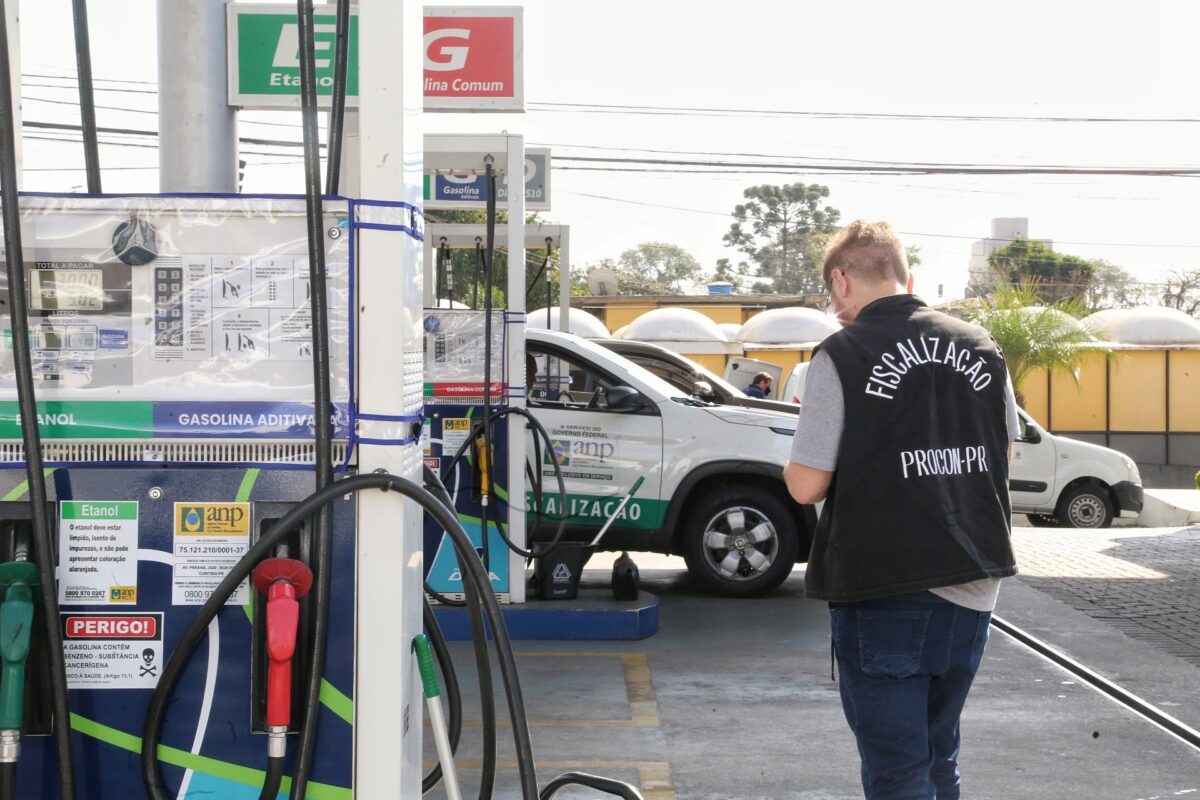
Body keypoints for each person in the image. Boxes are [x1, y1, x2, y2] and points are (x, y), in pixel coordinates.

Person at [783, 220, 1019, 800]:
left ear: (841, 280)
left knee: (897, 774)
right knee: (939, 761)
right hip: (974, 584)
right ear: (904, 276)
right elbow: (1004, 452)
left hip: (885, 587)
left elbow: (806, 486)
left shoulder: (840, 354)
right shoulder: (981, 345)